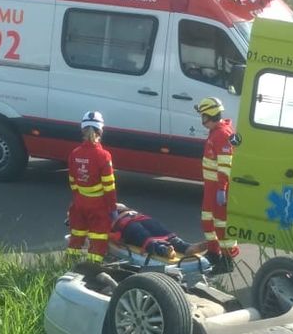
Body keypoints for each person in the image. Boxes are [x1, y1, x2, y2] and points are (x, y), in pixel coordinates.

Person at [194, 96, 238, 274]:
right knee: (208, 220)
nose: (201, 119)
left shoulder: (222, 134)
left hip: (219, 189)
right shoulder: (216, 132)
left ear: (210, 115)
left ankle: (227, 260)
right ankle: (214, 252)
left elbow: (225, 165)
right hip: (211, 188)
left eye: (203, 115)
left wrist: (222, 188)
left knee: (221, 224)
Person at [67, 111, 117, 263]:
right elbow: (109, 186)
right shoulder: (104, 156)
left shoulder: (74, 154)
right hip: (98, 205)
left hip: (80, 202)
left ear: (82, 130)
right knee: (98, 238)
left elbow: (73, 182)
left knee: (77, 235)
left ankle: (69, 265)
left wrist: (77, 200)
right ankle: (92, 268)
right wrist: (112, 208)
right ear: (100, 131)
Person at [111, 204, 206, 259]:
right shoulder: (101, 210)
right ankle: (164, 250)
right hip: (125, 225)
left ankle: (185, 247)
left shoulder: (111, 203)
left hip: (136, 218)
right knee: (143, 234)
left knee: (159, 230)